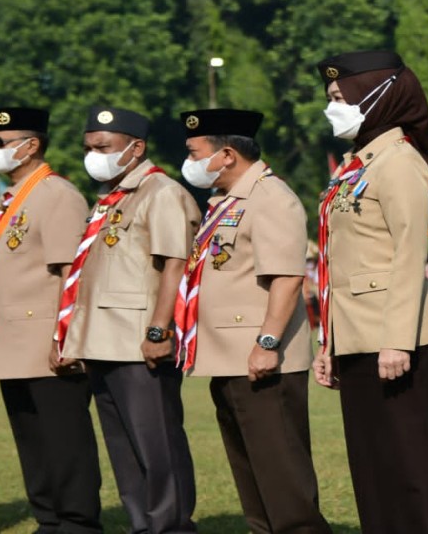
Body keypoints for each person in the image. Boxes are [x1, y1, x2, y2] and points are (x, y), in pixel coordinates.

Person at [310, 50, 428, 534]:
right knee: (373, 466)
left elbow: (407, 253)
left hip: (396, 339)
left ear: (374, 97)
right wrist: (330, 344)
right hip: (356, 337)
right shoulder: (358, 165)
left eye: (340, 97)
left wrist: (396, 338)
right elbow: (345, 263)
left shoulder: (398, 161)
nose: (331, 107)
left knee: (416, 466)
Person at [173, 108, 331, 534]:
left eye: (194, 152)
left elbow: (286, 278)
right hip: (227, 356)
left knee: (281, 471)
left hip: (261, 358)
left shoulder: (270, 197)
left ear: (226, 154)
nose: (188, 162)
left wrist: (267, 343)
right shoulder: (226, 201)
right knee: (250, 470)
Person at [52, 106, 199, 534]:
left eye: (103, 147)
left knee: (157, 447)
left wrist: (159, 330)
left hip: (139, 343)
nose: (93, 155)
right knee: (123, 448)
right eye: (88, 148)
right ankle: (142, 525)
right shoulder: (113, 199)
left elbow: (175, 266)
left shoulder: (161, 193)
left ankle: (170, 527)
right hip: (101, 341)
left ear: (136, 148)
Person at [0, 107, 102, 533]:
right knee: (31, 438)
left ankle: (77, 522)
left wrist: (65, 337)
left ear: (31, 146)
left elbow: (71, 274)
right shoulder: (14, 198)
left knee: (65, 440)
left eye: (0, 143)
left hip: (46, 340)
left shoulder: (56, 195)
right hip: (12, 341)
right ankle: (49, 518)